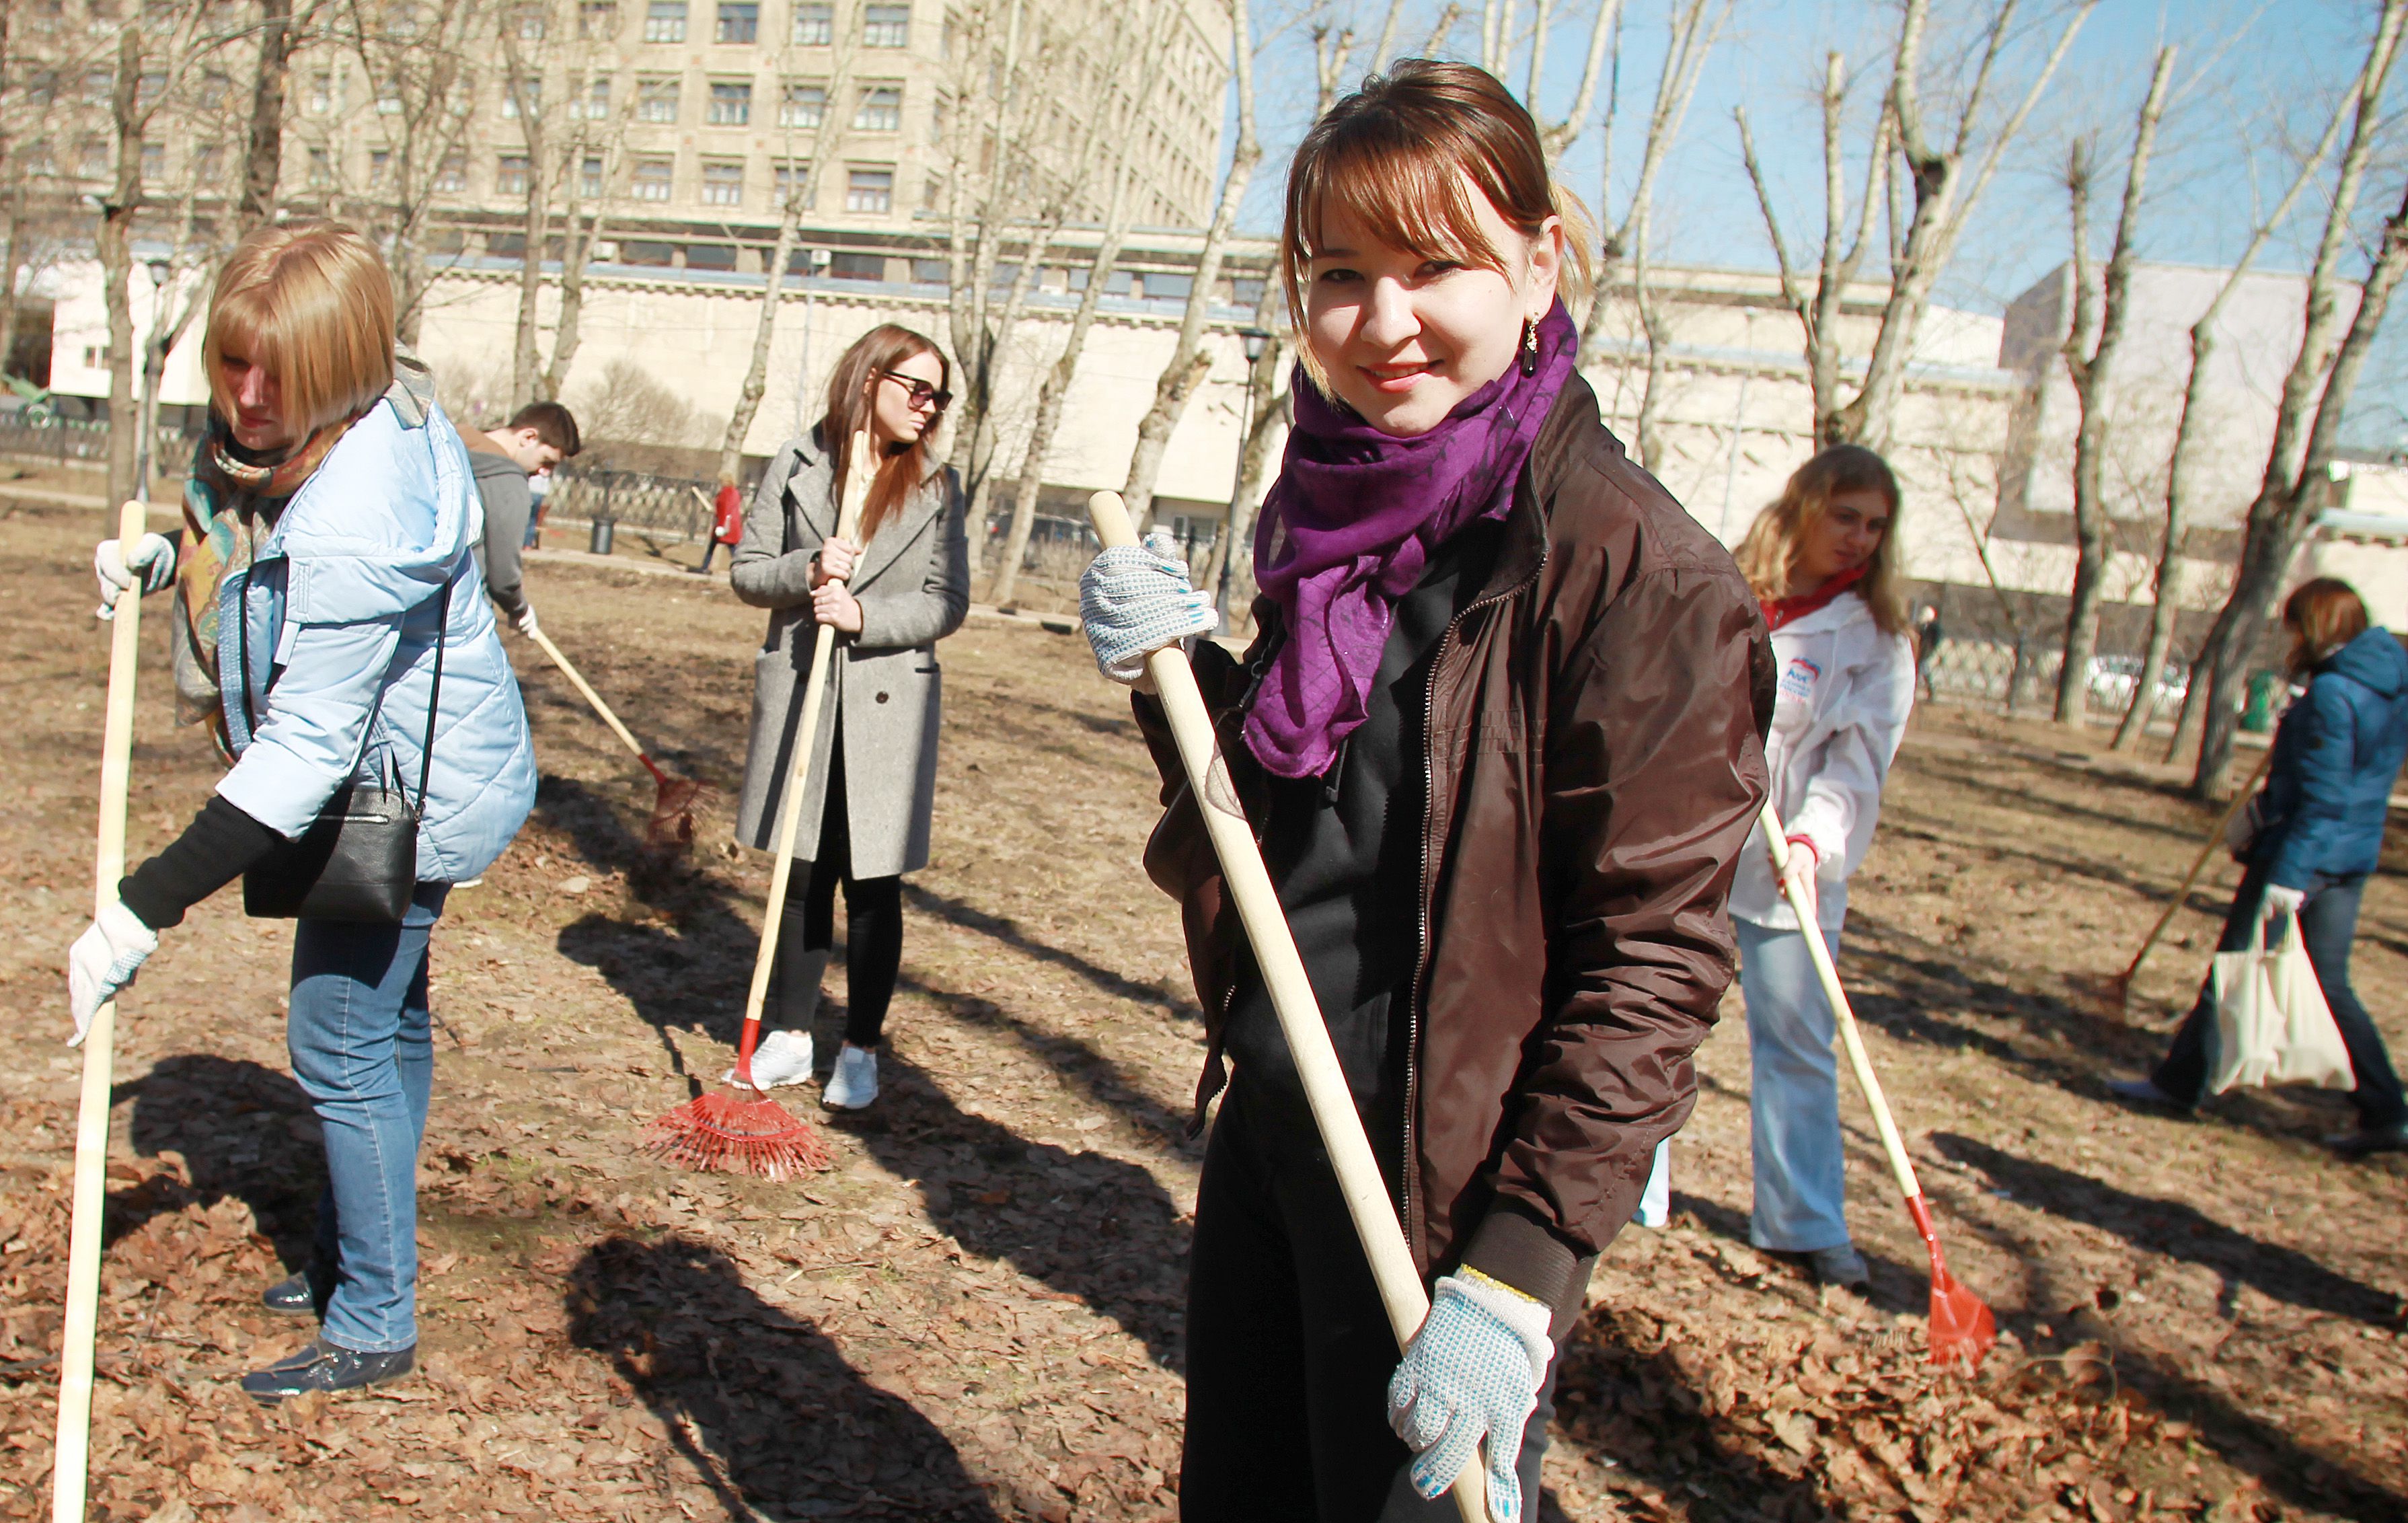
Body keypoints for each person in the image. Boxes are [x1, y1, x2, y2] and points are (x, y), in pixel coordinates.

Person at [1077, 62, 1772, 1523]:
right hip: (1278, 1121)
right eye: (1337, 275)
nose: (1380, 324)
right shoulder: (1338, 510)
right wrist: (1179, 679)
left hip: (1441, 1190)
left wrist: (1517, 1280)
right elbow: (1297, 822)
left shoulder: (1636, 573)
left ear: (1537, 263)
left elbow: (1651, 964)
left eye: (1433, 266)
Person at [73, 219, 537, 1401]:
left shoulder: (354, 522)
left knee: (337, 1038)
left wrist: (140, 908)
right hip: (428, 754)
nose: (248, 393)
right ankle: (349, 1253)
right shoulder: (383, 405)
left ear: (342, 367)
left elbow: (300, 756)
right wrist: (173, 561)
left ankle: (375, 1310)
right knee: (387, 1024)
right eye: (233, 360)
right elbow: (250, 527)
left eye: (279, 372)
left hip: (407, 791)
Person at [728, 324, 968, 1111]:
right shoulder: (797, 464)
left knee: (871, 882)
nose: (929, 409)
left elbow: (946, 602)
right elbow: (748, 571)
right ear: (871, 378)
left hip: (885, 701)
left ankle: (860, 1046)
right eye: (918, 389)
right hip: (804, 689)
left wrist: (864, 612)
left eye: (940, 396)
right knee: (802, 869)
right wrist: (807, 570)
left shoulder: (936, 485)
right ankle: (791, 1037)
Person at [2111, 578, 2408, 1157]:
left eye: (2295, 625)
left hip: (2302, 856)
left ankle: (2179, 1083)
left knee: (2235, 963)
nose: (2290, 636)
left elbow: (2322, 798)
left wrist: (2287, 876)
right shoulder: (2387, 685)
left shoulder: (2334, 696)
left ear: (2316, 626)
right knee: (2330, 982)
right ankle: (2387, 1107)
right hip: (2350, 855)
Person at [1721, 446, 1917, 1290]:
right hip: (1686, 850)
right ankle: (1627, 1194)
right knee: (1640, 1015)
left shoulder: (1875, 637)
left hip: (1786, 867)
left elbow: (1856, 762)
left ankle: (1803, 1222)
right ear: (1804, 506)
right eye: (1846, 516)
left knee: (1798, 1040)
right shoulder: (1730, 592)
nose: (1860, 538)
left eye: (1876, 525)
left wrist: (1809, 838)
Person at [463, 400, 580, 636]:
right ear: (528, 437)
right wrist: (518, 608)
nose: (545, 472)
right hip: (462, 614)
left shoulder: (444, 443)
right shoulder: (507, 479)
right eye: (547, 461)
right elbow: (502, 571)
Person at [698, 470, 745, 574]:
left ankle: (705, 567)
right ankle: (739, 568)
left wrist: (720, 524)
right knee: (730, 547)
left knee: (724, 547)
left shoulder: (726, 493)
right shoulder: (735, 492)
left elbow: (724, 509)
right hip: (732, 524)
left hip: (725, 524)